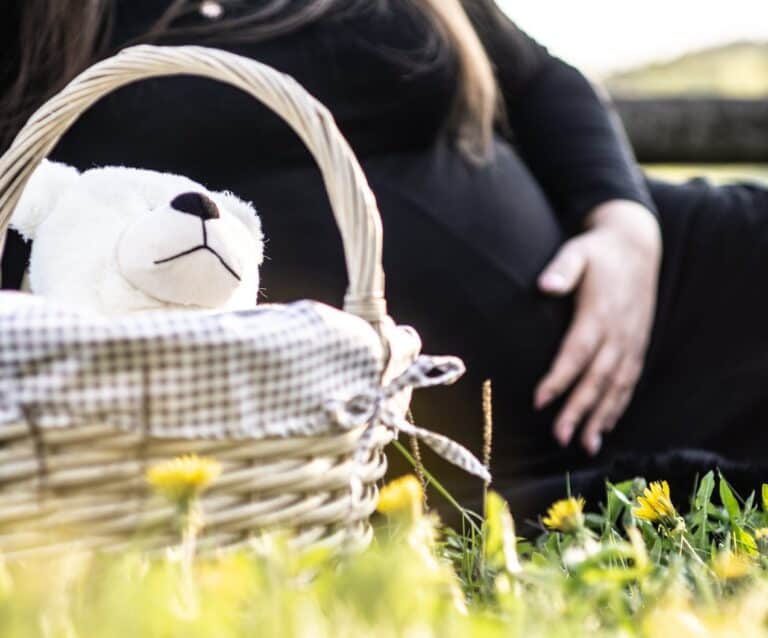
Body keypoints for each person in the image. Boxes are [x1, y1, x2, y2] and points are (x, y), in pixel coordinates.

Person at [2, 0, 768, 524]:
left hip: (636, 294)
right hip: (354, 431)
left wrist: (624, 227)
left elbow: (540, 79)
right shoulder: (46, 25)